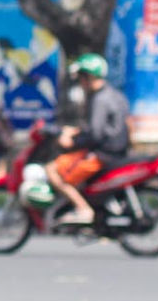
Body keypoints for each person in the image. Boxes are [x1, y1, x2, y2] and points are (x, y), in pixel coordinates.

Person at [48, 52, 129, 225]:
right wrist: (77, 131)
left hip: (102, 154)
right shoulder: (115, 95)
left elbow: (96, 134)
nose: (80, 82)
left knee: (53, 170)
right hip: (117, 151)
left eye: (81, 77)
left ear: (89, 77)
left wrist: (72, 141)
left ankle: (82, 208)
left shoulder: (99, 99)